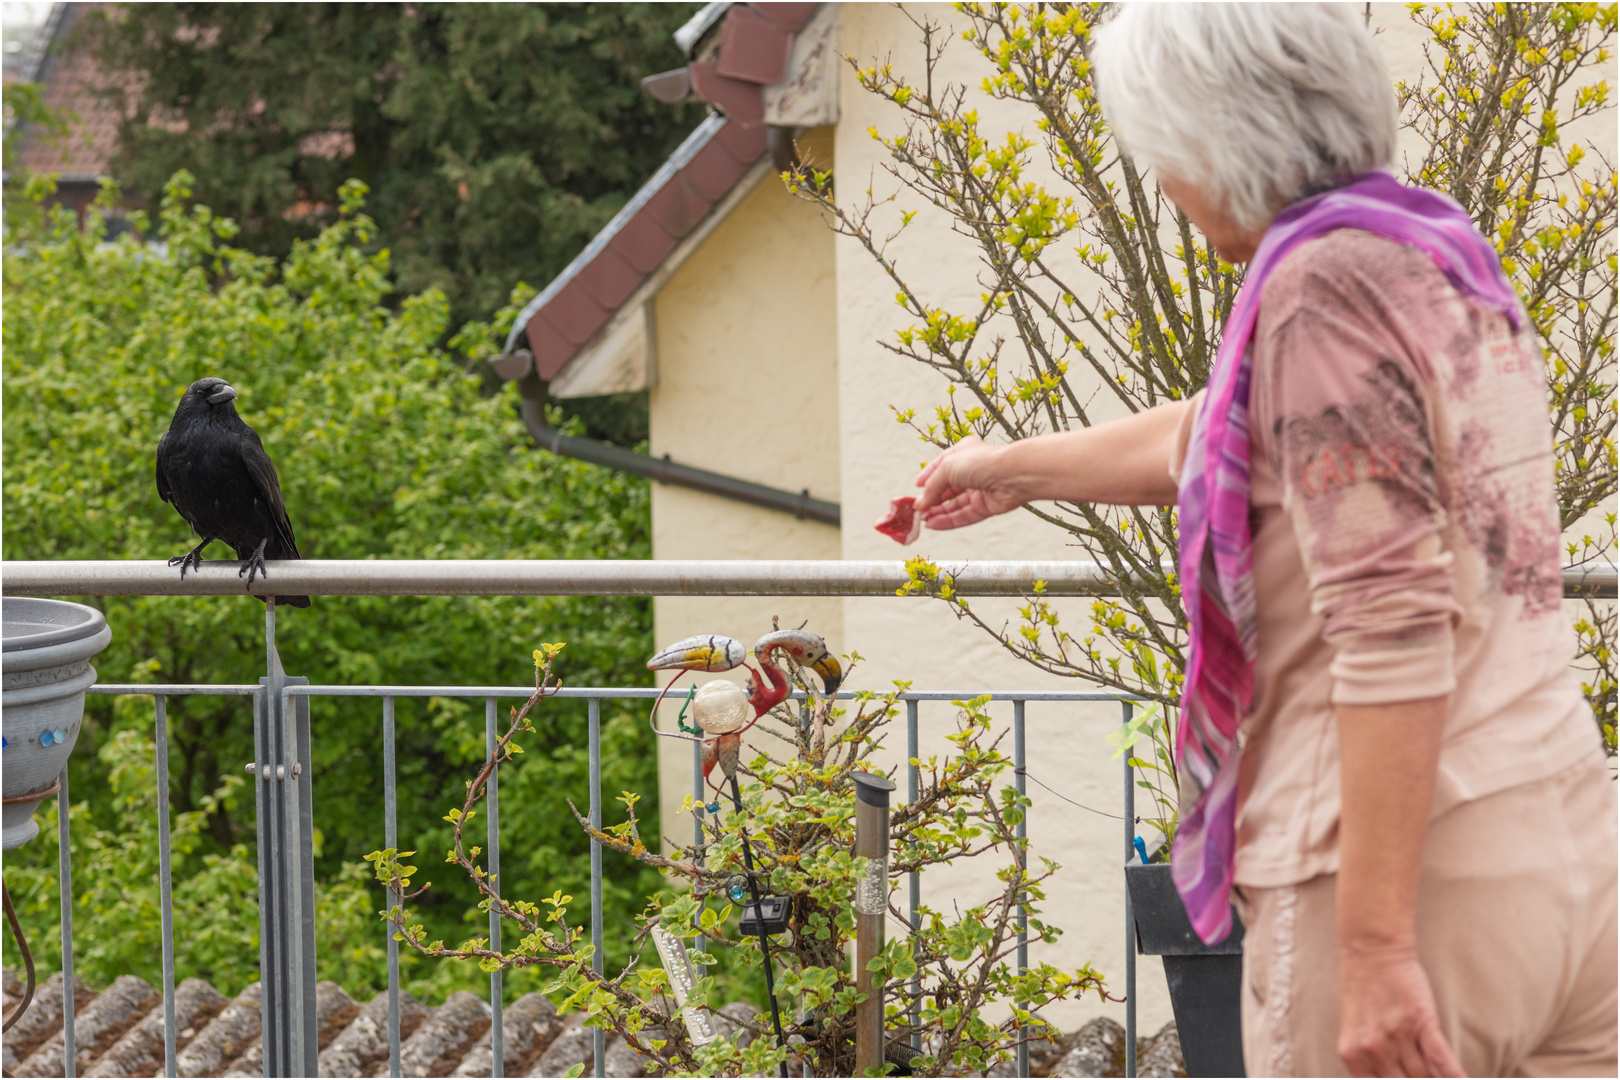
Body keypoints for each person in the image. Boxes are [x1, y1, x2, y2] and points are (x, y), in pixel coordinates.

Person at [910, 5, 1617, 1077]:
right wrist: (1006, 467)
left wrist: (1376, 947)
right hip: (1562, 850)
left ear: (1210, 140)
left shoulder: (1318, 294)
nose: (1158, 183)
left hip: (1407, 882)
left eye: (1156, 150)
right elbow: (1228, 434)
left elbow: (1391, 624)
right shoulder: (1428, 253)